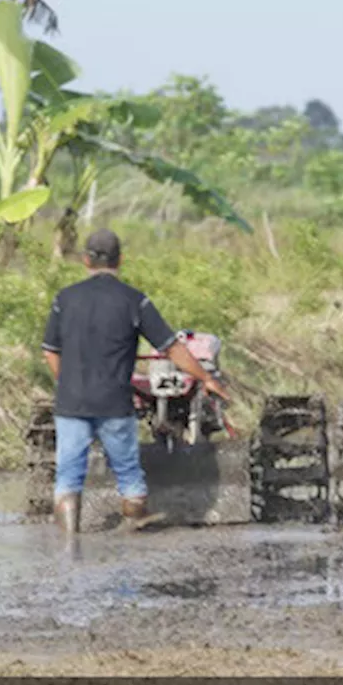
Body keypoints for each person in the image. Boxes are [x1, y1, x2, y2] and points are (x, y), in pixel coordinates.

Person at [41, 229, 230, 534]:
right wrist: (206, 378)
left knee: (68, 476)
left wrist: (68, 382)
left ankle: (68, 541)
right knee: (128, 472)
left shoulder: (65, 299)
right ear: (121, 260)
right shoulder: (134, 301)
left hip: (72, 401)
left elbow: (50, 351)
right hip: (114, 401)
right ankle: (133, 522)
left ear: (86, 260)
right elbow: (172, 348)